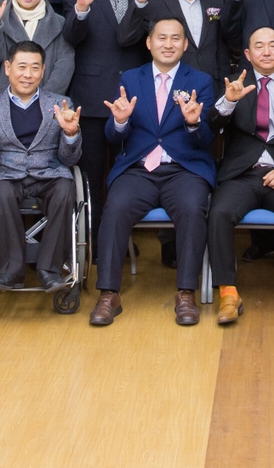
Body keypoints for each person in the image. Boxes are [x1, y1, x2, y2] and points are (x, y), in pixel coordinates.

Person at [89, 17, 218, 328]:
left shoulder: (200, 81)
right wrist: (120, 121)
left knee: (192, 208)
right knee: (115, 207)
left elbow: (206, 139)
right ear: (149, 43)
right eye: (161, 38)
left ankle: (185, 293)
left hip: (183, 169)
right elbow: (112, 136)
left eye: (175, 39)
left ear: (185, 44)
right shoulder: (131, 78)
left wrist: (193, 124)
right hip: (139, 170)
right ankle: (108, 293)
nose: (168, 44)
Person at [205, 26, 274, 325]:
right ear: (247, 53)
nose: (266, 51)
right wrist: (228, 102)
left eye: (272, 45)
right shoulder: (234, 84)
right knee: (219, 212)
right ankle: (228, 293)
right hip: (242, 174)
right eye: (259, 46)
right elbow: (212, 125)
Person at [0, 40, 83, 295]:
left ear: (43, 71)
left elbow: (69, 160)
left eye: (35, 68)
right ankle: (11, 270)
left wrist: (70, 133)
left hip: (49, 171)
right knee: (1, 193)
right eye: (21, 67)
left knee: (66, 189)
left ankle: (50, 270)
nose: (28, 74)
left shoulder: (60, 104)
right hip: (7, 173)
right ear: (8, 68)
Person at [65, 0, 143, 219]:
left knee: (130, 172)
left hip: (134, 96)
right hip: (92, 96)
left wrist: (142, 4)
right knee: (93, 174)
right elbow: (71, 37)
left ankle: (123, 234)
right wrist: (82, 8)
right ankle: (96, 235)